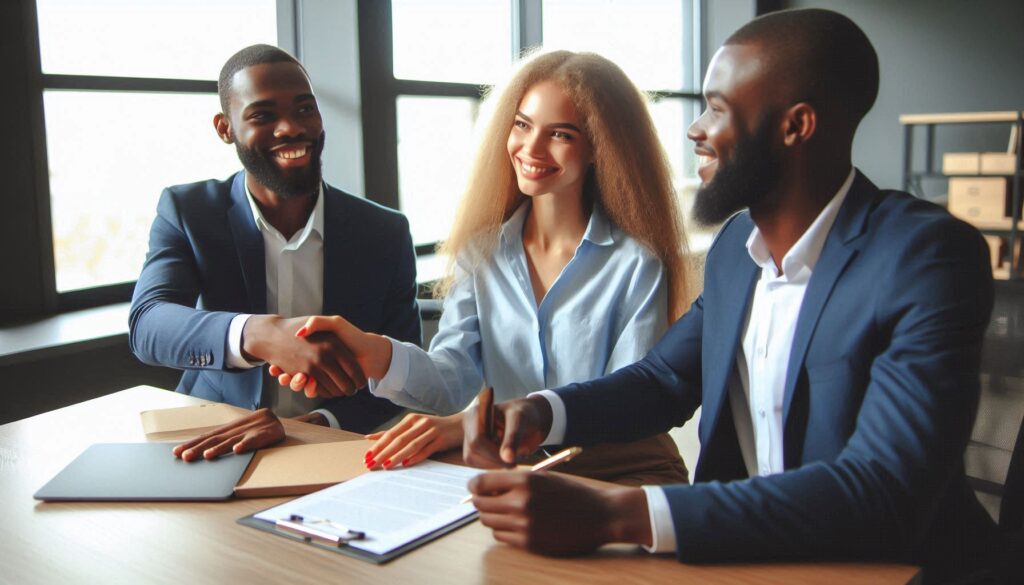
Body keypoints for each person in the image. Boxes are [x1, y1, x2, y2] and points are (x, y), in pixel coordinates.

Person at [460, 8, 998, 580]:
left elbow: (884, 490)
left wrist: (622, 513)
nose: (696, 129)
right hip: (745, 558)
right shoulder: (736, 247)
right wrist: (541, 412)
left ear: (796, 126)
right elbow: (663, 380)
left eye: (718, 108)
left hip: (897, 569)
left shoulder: (926, 257)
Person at [197, 49, 693, 485]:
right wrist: (372, 352)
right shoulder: (481, 254)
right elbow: (453, 380)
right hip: (503, 468)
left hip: (616, 472)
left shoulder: (635, 264)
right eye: (521, 125)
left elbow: (627, 404)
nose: (532, 150)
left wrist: (479, 427)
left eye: (560, 134)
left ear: (600, 148)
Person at [129, 44, 419, 445]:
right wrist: (259, 335)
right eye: (263, 115)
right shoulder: (188, 211)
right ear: (225, 128)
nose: (290, 128)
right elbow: (148, 324)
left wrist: (313, 428)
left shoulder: (385, 231)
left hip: (332, 445)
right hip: (213, 439)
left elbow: (403, 372)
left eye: (304, 109)